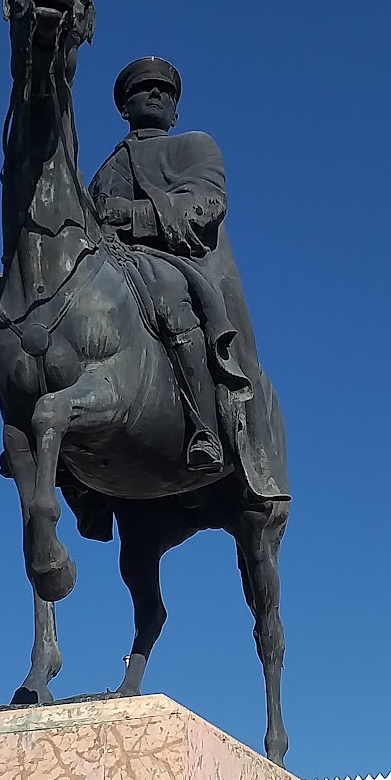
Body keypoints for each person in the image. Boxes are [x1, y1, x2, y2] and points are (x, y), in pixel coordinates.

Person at [90, 57, 258, 477]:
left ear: (176, 110)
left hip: (173, 262)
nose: (156, 94)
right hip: (111, 269)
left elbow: (205, 202)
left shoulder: (194, 146)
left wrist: (130, 216)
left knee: (168, 295)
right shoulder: (101, 173)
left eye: (165, 91)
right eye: (143, 88)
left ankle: (204, 427)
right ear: (123, 108)